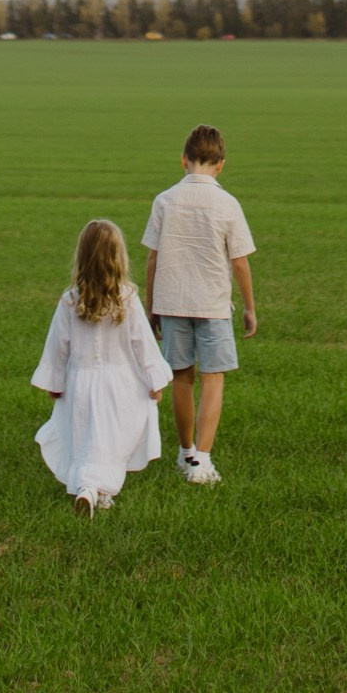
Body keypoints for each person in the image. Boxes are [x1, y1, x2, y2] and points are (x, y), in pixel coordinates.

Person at [31, 218, 174, 517]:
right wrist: (155, 380)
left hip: (81, 382)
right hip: (120, 384)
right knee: (111, 439)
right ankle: (96, 490)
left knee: (85, 438)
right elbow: (143, 345)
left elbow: (59, 346)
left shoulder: (71, 301)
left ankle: (89, 489)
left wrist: (55, 383)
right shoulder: (128, 300)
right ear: (117, 257)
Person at [141, 123, 257, 487]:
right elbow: (239, 261)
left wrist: (151, 307)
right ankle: (201, 462)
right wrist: (250, 306)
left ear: (183, 160)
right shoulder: (228, 203)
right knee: (214, 378)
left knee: (180, 377)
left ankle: (184, 451)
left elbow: (152, 259)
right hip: (213, 304)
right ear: (221, 164)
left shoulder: (164, 200)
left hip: (172, 302)